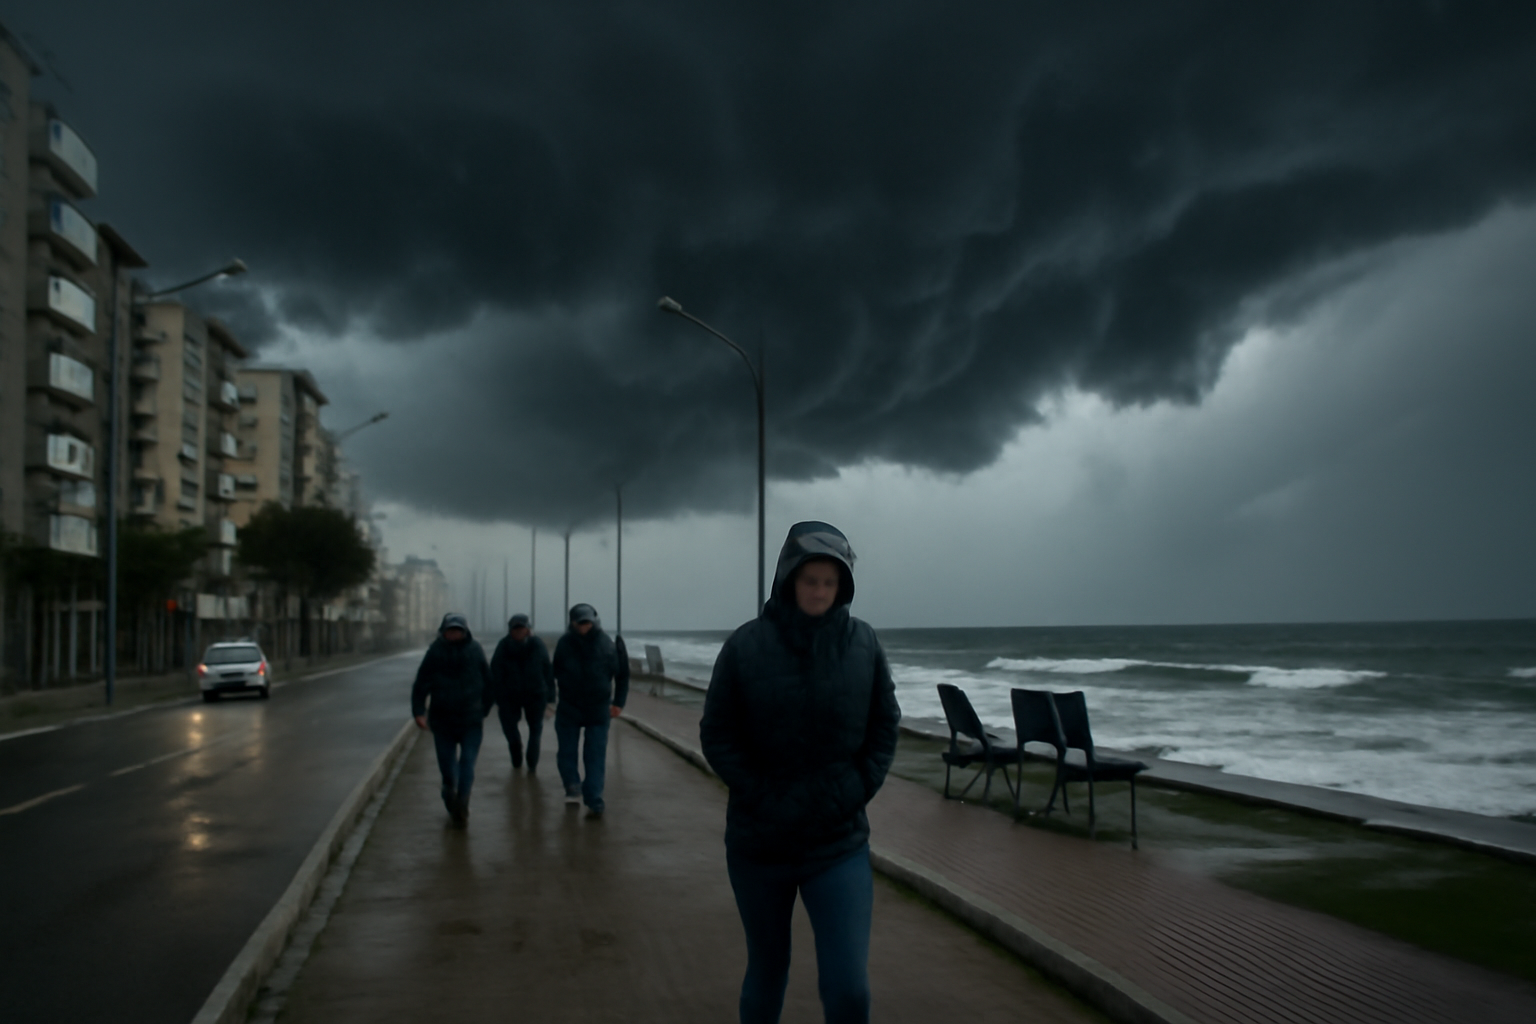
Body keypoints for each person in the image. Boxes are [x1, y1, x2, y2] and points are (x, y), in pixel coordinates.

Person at [699, 521, 900, 1024]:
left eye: (830, 582)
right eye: (810, 580)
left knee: (849, 988)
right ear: (789, 578)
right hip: (759, 845)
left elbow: (884, 725)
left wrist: (857, 788)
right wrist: (761, 794)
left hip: (838, 844)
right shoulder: (745, 646)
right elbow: (717, 733)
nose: (819, 591)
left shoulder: (863, 644)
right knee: (767, 971)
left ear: (843, 587)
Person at [411, 612, 493, 826]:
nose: (454, 634)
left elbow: (489, 682)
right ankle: (449, 793)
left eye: (458, 630)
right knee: (447, 767)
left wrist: (483, 709)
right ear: (443, 632)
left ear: (465, 632)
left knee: (467, 763)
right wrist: (418, 711)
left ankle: (463, 802)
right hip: (443, 721)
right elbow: (421, 683)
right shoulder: (435, 652)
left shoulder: (475, 650)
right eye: (450, 630)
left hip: (471, 721)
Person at [552, 602, 629, 818]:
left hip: (598, 709)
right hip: (569, 708)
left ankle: (594, 798)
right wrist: (550, 697)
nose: (584, 626)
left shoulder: (607, 644)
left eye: (587, 622)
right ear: (573, 623)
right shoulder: (564, 644)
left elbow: (622, 674)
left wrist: (618, 702)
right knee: (566, 752)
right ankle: (571, 785)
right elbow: (554, 671)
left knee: (595, 755)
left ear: (594, 622)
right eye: (580, 623)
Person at [489, 613, 555, 773]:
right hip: (509, 696)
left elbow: (548, 671)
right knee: (509, 729)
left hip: (535, 694)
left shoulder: (537, 645)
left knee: (535, 730)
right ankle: (516, 749)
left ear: (528, 629)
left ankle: (532, 765)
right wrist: (496, 696)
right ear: (510, 630)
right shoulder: (503, 646)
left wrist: (551, 697)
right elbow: (494, 673)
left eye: (522, 628)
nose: (519, 631)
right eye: (515, 628)